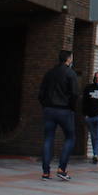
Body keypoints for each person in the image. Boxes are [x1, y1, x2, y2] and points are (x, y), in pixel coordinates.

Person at [38, 50, 78, 181]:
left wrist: (45, 105)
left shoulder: (49, 73)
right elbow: (74, 94)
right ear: (68, 59)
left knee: (48, 139)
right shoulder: (70, 73)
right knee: (70, 137)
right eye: (71, 57)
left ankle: (45, 172)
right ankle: (62, 169)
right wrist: (71, 108)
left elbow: (41, 93)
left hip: (49, 110)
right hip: (64, 110)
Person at [83, 71, 98, 164]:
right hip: (90, 116)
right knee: (93, 136)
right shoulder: (88, 88)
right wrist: (85, 114)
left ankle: (96, 155)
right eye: (96, 78)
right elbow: (84, 101)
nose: (97, 80)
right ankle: (95, 153)